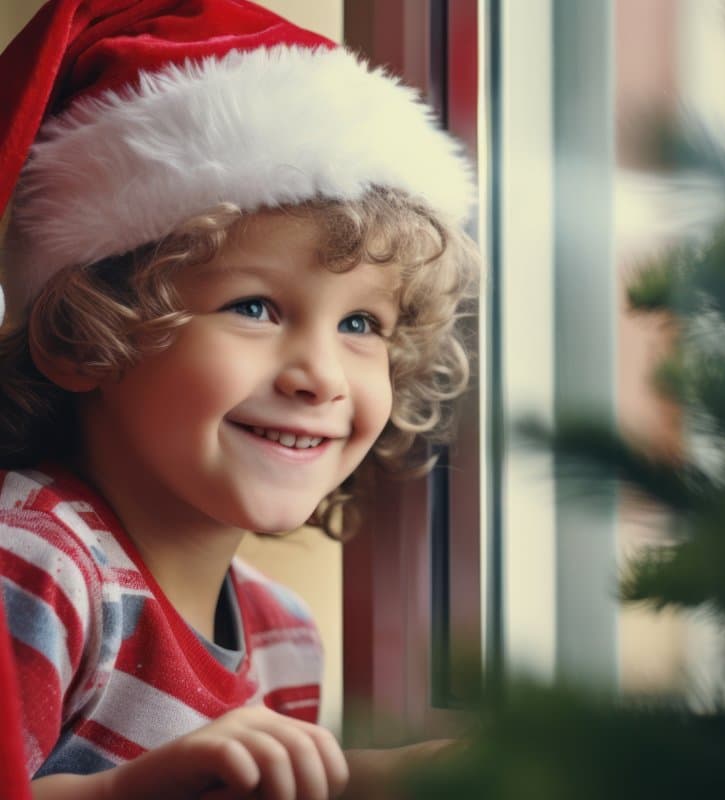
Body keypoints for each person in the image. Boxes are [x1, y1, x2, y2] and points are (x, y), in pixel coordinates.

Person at [0, 1, 478, 798]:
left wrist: (380, 781)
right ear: (85, 339)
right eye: (255, 307)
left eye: (362, 322)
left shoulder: (284, 634)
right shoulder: (36, 566)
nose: (320, 375)